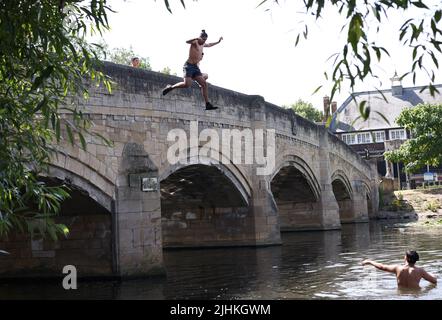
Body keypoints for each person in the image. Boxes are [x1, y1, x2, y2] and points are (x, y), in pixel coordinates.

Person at [162, 29, 223, 110]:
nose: (204, 41)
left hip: (196, 68)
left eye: (205, 40)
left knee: (204, 84)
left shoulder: (203, 44)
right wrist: (196, 38)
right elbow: (187, 41)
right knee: (187, 84)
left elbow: (210, 44)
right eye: (203, 39)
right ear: (200, 38)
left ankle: (207, 104)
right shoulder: (195, 42)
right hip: (188, 66)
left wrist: (218, 42)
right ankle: (171, 87)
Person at [362, 250, 437, 289]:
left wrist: (369, 262)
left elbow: (382, 267)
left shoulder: (398, 268)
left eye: (405, 255)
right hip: (416, 295)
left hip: (401, 295)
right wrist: (433, 275)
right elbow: (434, 281)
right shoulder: (420, 271)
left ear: (406, 258)